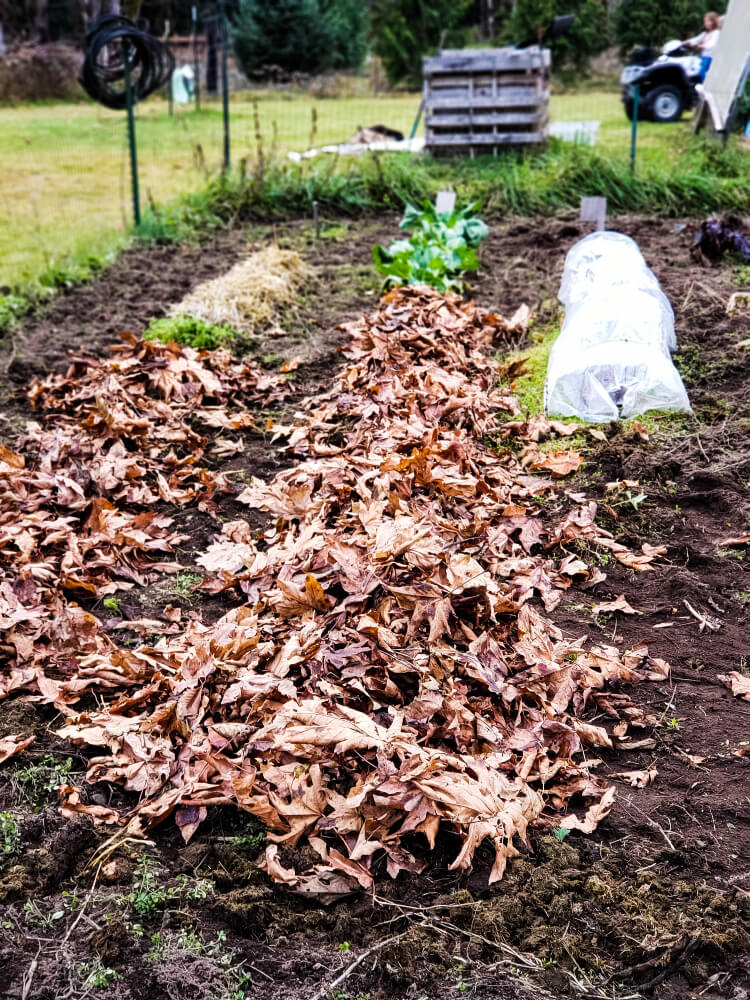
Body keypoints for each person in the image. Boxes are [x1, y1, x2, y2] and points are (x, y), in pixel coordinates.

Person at [684, 12, 721, 81]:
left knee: (700, 74)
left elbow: (711, 45)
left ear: (713, 22)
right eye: (705, 21)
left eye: (707, 21)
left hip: (709, 58)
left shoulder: (716, 33)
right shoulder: (705, 34)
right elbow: (695, 40)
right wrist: (684, 43)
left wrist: (700, 46)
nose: (705, 23)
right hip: (703, 57)